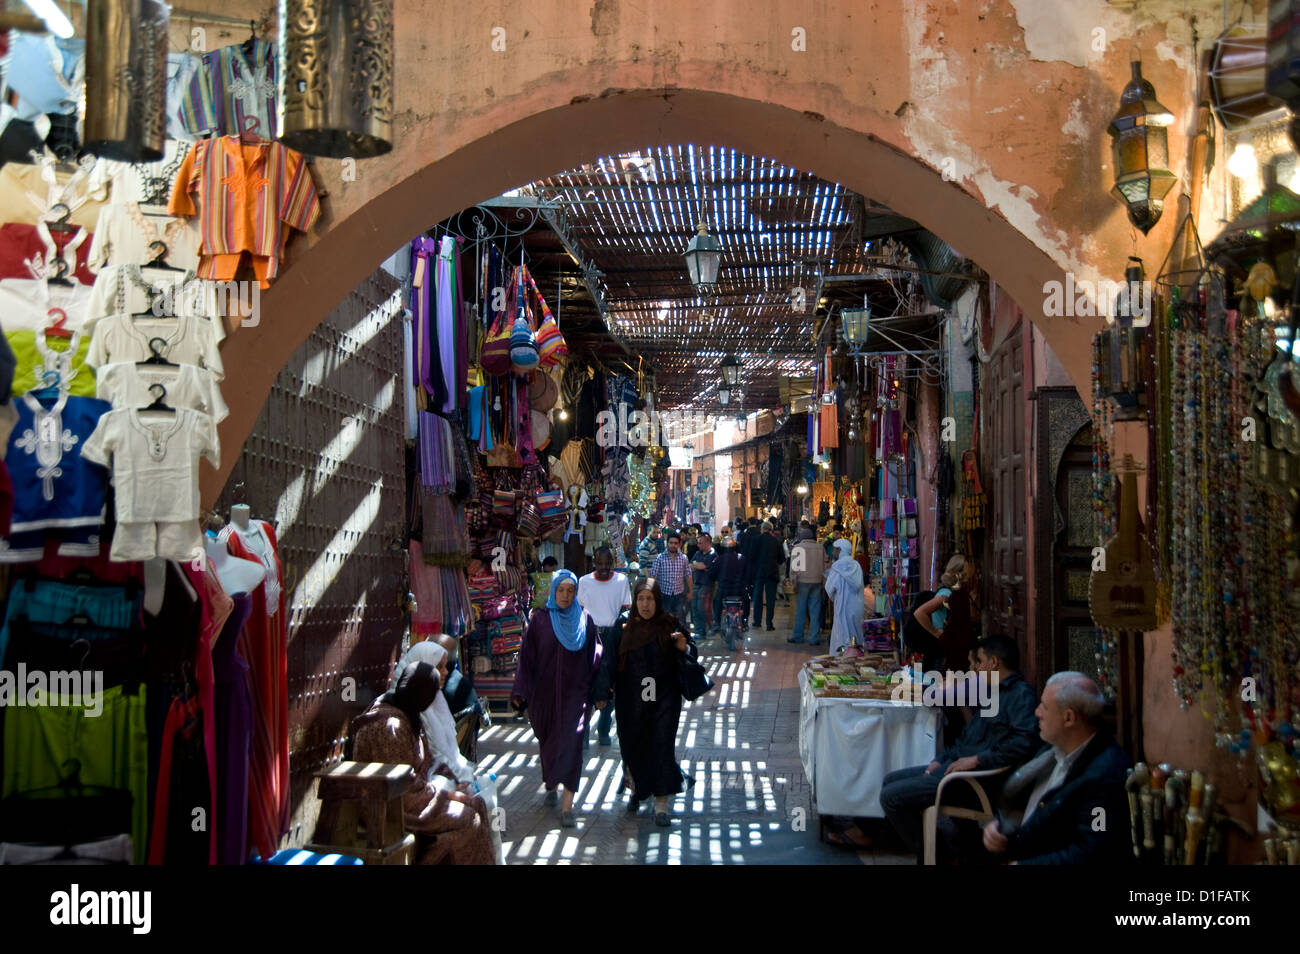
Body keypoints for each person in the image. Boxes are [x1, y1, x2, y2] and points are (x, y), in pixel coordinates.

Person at [877, 635, 1040, 861]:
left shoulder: (1021, 695)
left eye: (978, 662)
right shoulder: (993, 692)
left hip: (973, 781)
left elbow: (1024, 742)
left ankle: (937, 855)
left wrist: (978, 760)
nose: (974, 669)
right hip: (956, 768)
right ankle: (936, 849)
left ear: (994, 663)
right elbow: (967, 738)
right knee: (889, 781)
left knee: (891, 796)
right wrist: (942, 759)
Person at [350, 659, 497, 864]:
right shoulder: (389, 727)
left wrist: (451, 782)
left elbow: (426, 762)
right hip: (391, 804)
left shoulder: (407, 713)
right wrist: (448, 795)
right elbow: (403, 787)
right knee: (468, 818)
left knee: (477, 805)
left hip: (415, 795)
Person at [978, 672, 1131, 865]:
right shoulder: (1051, 750)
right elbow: (1021, 806)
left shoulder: (1103, 776)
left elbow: (1093, 852)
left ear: (1068, 718)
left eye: (1044, 706)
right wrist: (996, 827)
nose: (1037, 712)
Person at [593, 579, 693, 827]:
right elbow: (608, 660)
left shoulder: (670, 623)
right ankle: (638, 789)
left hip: (665, 699)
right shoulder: (624, 626)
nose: (645, 604)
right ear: (635, 601)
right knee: (633, 746)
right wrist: (602, 692)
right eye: (641, 599)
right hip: (631, 700)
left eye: (650, 599)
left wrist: (685, 646)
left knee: (661, 745)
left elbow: (691, 652)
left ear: (657, 600)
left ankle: (661, 805)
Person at [511, 569, 603, 828]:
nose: (565, 595)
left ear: (576, 593)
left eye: (570, 590)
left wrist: (598, 692)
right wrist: (520, 691)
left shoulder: (585, 620)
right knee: (549, 743)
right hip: (544, 697)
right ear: (552, 591)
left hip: (576, 696)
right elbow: (526, 659)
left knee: (573, 745)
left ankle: (567, 806)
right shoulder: (539, 620)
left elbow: (595, 656)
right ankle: (551, 783)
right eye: (560, 590)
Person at [577, 547, 632, 747]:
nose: (603, 567)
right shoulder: (583, 582)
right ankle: (582, 732)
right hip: (590, 634)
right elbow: (579, 610)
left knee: (610, 682)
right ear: (594, 563)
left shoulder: (621, 581)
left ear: (612, 563)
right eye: (599, 563)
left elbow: (626, 610)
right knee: (586, 682)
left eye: (607, 563)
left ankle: (604, 729)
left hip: (613, 636)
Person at [913, 555, 976, 670]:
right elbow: (919, 613)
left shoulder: (957, 592)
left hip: (949, 648)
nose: (968, 577)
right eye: (965, 574)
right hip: (942, 651)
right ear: (957, 572)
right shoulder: (946, 594)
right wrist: (937, 633)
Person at [823, 538, 864, 653]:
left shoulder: (836, 568)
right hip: (857, 608)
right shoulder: (856, 566)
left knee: (842, 639)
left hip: (843, 609)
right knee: (856, 637)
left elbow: (829, 589)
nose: (833, 552)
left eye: (835, 549)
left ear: (839, 550)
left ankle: (843, 664)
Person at [787, 525, 826, 645]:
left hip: (802, 582)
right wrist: (823, 583)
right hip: (817, 582)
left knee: (801, 610)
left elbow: (794, 569)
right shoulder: (820, 548)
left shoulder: (798, 548)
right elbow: (825, 566)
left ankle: (798, 636)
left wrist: (793, 582)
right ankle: (814, 638)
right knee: (815, 611)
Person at [649, 532, 692, 624]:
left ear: (679, 544)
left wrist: (691, 591)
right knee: (664, 620)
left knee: (680, 620)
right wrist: (651, 592)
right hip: (664, 594)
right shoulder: (660, 558)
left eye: (675, 543)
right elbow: (653, 576)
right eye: (671, 543)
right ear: (667, 543)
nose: (673, 545)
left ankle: (681, 637)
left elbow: (688, 575)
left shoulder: (683, 558)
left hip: (679, 594)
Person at [714, 534, 747, 648]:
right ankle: (745, 622)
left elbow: (712, 574)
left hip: (724, 591)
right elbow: (748, 574)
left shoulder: (718, 559)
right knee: (746, 603)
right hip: (739, 590)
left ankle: (717, 623)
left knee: (717, 602)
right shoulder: (741, 558)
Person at [750, 522, 782, 631]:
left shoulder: (756, 540)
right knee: (770, 599)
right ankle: (769, 623)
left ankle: (757, 621)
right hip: (772, 572)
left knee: (757, 597)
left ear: (762, 529)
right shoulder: (776, 541)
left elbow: (752, 556)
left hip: (759, 572)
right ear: (771, 530)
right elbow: (781, 558)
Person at [689, 531, 719, 642]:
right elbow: (691, 565)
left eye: (700, 543)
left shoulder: (713, 554)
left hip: (707, 584)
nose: (698, 545)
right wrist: (698, 566)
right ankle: (699, 632)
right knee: (695, 608)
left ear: (707, 543)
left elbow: (702, 566)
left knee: (702, 608)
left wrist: (698, 565)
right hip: (697, 583)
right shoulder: (698, 553)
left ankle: (709, 627)